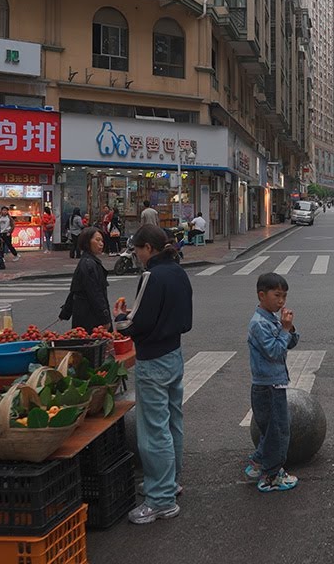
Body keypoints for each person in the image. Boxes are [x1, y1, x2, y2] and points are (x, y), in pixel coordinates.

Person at [113, 225, 194, 525]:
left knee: (153, 429)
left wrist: (121, 317)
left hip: (153, 358)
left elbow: (137, 323)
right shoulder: (178, 272)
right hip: (174, 354)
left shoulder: (152, 274)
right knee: (173, 422)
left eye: (136, 249)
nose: (135, 254)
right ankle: (169, 483)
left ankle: (160, 499)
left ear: (148, 247)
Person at [245, 273, 301, 493]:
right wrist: (285, 330)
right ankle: (271, 475)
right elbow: (275, 351)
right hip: (268, 386)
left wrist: (290, 328)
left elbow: (290, 344)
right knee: (278, 431)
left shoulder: (270, 319)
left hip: (272, 383)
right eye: (277, 295)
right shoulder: (259, 323)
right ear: (262, 295)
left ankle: (258, 462)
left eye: (284, 296)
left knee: (271, 429)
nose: (281, 301)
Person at [61, 227, 111, 330]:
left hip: (84, 315)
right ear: (87, 242)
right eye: (97, 240)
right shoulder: (89, 264)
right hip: (90, 317)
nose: (101, 243)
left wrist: (66, 312)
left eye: (102, 240)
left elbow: (75, 290)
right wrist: (105, 318)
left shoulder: (87, 261)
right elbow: (95, 292)